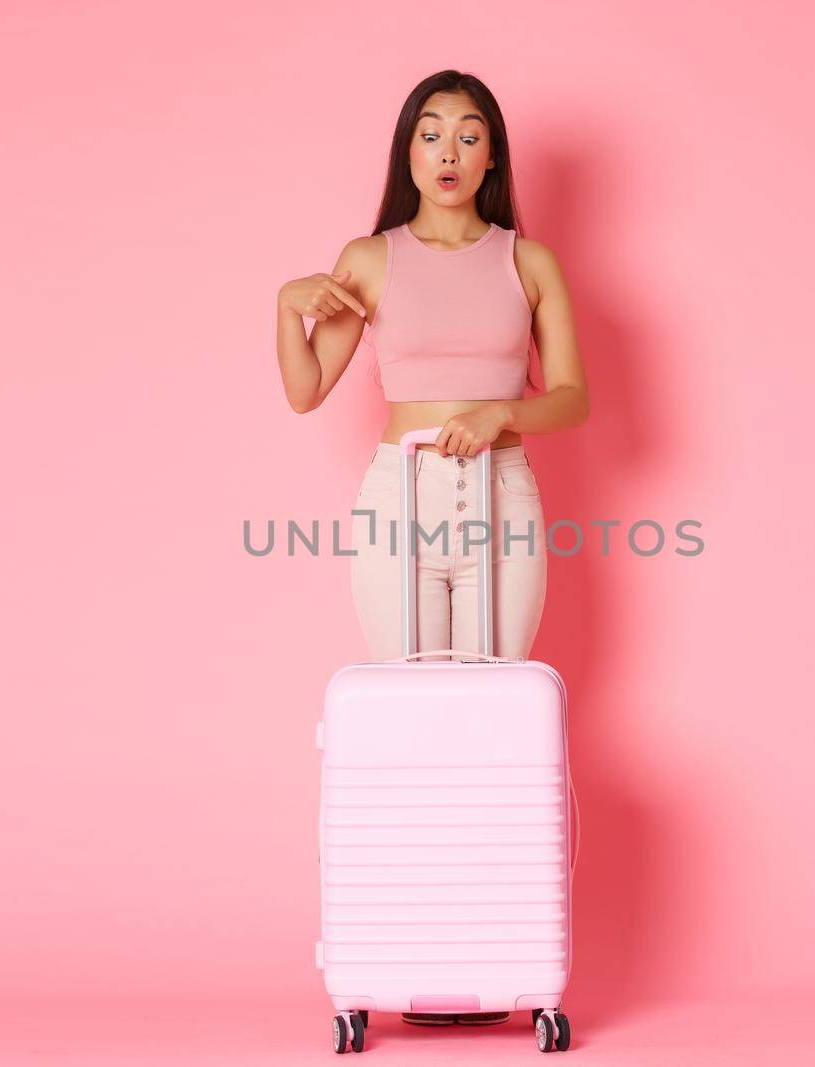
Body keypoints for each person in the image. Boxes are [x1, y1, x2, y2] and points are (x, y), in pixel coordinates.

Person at [274, 70, 588, 1026]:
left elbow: (572, 396)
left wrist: (503, 409)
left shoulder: (527, 262)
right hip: (396, 500)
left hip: (502, 495)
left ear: (493, 155)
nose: (448, 153)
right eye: (430, 135)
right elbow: (305, 390)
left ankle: (495, 952)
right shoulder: (368, 260)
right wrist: (286, 307)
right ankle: (412, 945)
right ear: (406, 150)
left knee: (499, 720)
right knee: (406, 723)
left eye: (469, 135)